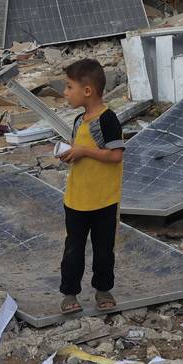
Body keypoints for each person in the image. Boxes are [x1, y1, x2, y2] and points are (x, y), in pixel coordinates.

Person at [56, 59, 125, 315]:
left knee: (103, 249)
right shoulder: (79, 120)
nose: (65, 92)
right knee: (73, 249)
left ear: (87, 90)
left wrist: (83, 151)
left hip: (104, 200)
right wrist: (70, 154)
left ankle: (103, 289)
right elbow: (80, 151)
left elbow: (115, 155)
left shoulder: (107, 120)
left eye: (69, 86)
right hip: (76, 199)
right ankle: (69, 293)